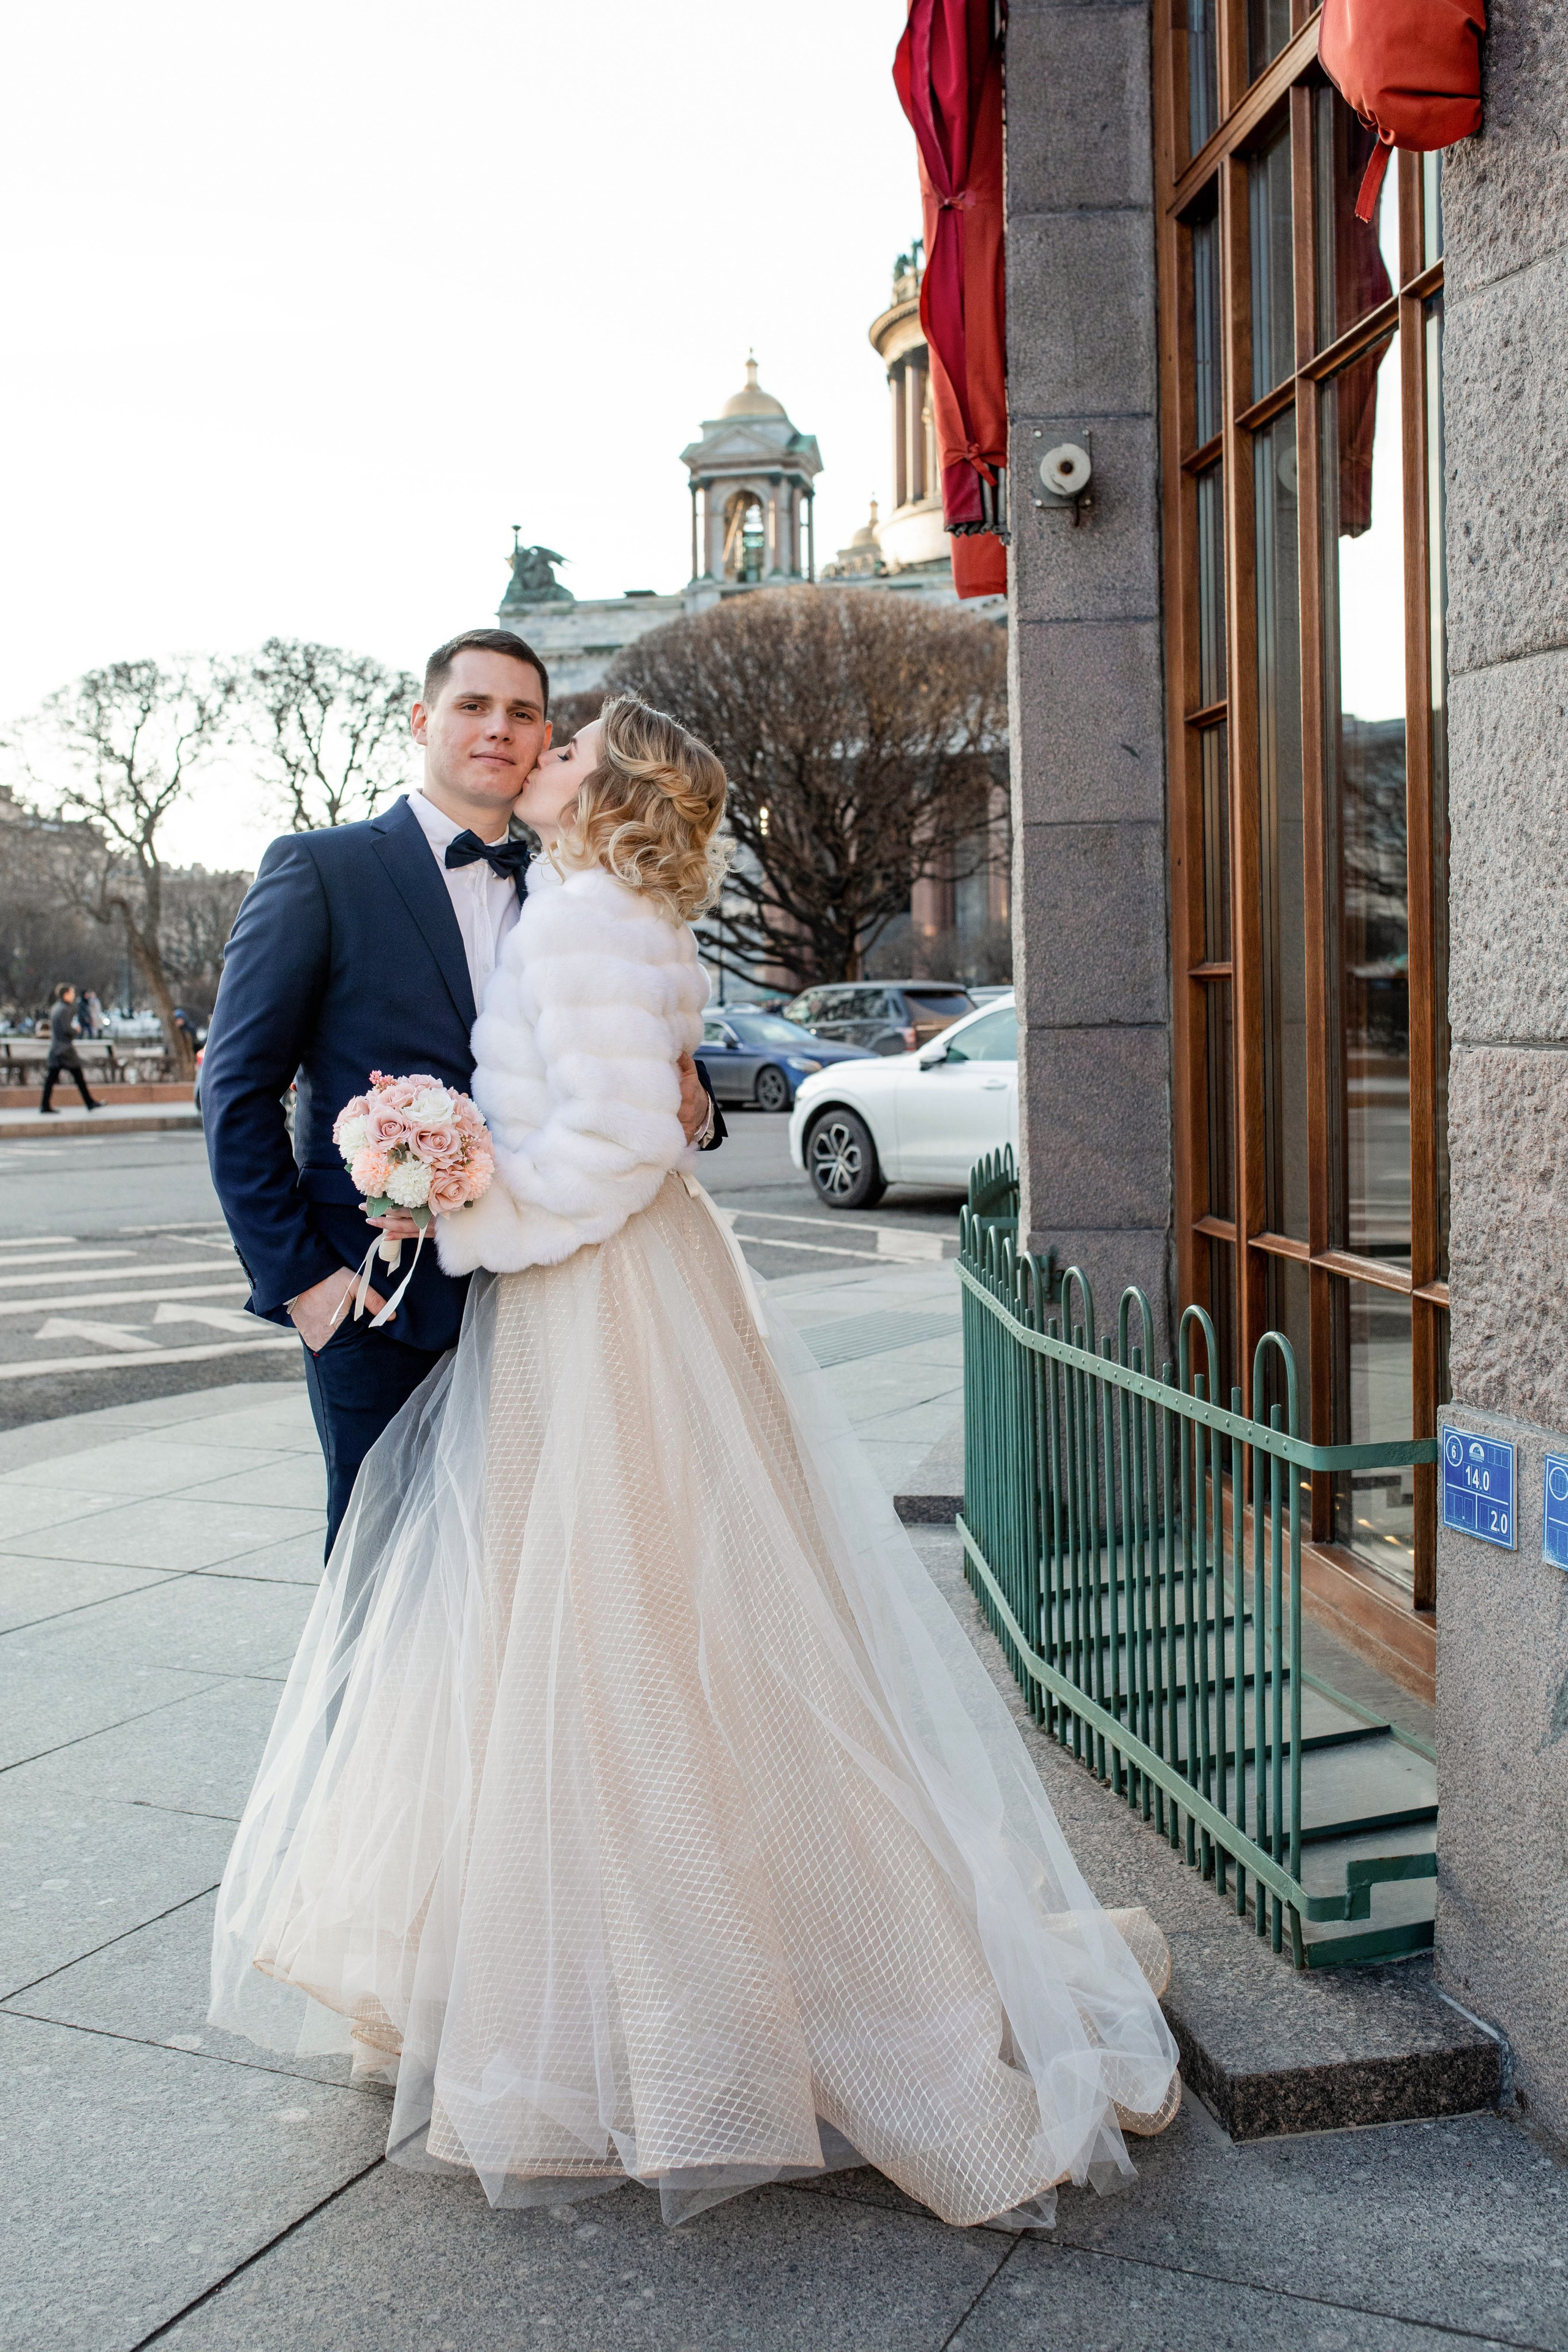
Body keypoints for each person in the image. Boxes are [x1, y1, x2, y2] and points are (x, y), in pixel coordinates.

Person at [210, 693, 1180, 2233]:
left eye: (572, 743)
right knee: (627, 1622)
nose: (544, 754)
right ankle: (627, 1967)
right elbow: (638, 1113)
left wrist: (466, 1210)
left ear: (611, 789)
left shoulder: (588, 916)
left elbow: (606, 1151)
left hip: (591, 1297)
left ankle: (679, 2006)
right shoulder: (606, 905)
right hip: (607, 1287)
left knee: (619, 1631)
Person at [200, 630, 725, 1553]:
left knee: (524, 1584)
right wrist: (306, 1287)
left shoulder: (569, 877)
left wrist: (696, 1094)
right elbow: (235, 1090)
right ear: (422, 720)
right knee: (383, 1578)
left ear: (546, 736)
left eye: (525, 715)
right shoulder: (321, 869)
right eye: (473, 706)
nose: (499, 729)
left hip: (547, 1295)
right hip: (378, 1296)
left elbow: (616, 1044)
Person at [39, 984, 101, 1114]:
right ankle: (89, 1103)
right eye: (72, 993)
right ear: (66, 994)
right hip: (65, 1050)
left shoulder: (56, 1008)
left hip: (56, 1049)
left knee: (52, 1079)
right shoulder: (65, 1010)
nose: (74, 995)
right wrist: (76, 1030)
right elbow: (67, 1029)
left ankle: (45, 1105)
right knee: (78, 1076)